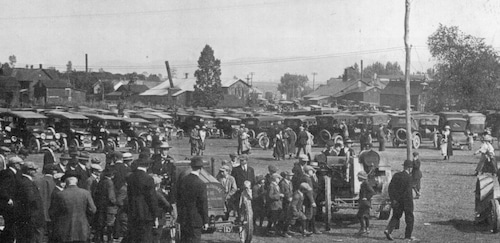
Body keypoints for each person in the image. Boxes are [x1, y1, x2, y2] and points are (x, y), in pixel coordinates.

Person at [49, 172, 97, 243]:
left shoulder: (60, 195)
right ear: (76, 182)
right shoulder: (85, 193)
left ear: (66, 182)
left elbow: (52, 213)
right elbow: (93, 210)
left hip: (64, 229)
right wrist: (85, 218)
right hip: (82, 227)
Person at [125, 158, 159, 243]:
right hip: (146, 213)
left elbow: (128, 194)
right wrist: (155, 214)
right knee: (146, 237)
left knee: (134, 237)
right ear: (148, 166)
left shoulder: (130, 177)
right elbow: (152, 199)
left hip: (133, 211)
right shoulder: (148, 179)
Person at [177, 156, 209, 242]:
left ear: (191, 167)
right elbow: (203, 203)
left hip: (184, 218)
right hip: (196, 220)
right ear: (201, 169)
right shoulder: (201, 184)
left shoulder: (183, 181)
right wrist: (206, 221)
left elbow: (178, 199)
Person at [384, 160, 415, 241]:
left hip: (397, 201)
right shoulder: (409, 178)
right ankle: (408, 236)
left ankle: (388, 230)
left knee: (396, 216)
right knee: (409, 218)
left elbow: (390, 188)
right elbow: (408, 192)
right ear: (409, 168)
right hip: (407, 201)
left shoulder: (396, 175)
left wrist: (393, 199)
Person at [16, 162, 45, 243]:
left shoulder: (24, 181)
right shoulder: (27, 183)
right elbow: (31, 200)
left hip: (28, 218)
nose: (36, 172)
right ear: (29, 171)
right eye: (34, 170)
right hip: (31, 219)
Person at [0, 156, 23, 243]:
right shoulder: (8, 174)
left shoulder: (13, 173)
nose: (21, 166)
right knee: (10, 223)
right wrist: (8, 198)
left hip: (11, 202)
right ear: (15, 164)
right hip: (7, 204)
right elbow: (3, 188)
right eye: (19, 164)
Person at [35, 163, 58, 241]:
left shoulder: (37, 181)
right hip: (51, 210)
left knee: (40, 233)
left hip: (40, 209)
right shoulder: (54, 182)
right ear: (53, 171)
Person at [95, 169, 117, 242]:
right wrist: (115, 202)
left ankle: (99, 238)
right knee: (110, 223)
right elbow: (111, 196)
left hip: (100, 205)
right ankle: (109, 239)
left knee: (101, 223)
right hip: (108, 206)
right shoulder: (109, 182)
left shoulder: (101, 182)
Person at [357, 171, 375, 235]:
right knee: (366, 216)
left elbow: (372, 192)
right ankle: (367, 229)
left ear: (361, 177)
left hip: (364, 202)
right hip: (366, 202)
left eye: (358, 177)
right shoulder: (365, 183)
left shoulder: (365, 184)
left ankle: (363, 229)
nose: (357, 178)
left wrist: (366, 197)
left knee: (359, 215)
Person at [278, 171, 294, 237]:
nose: (291, 177)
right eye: (290, 175)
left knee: (289, 216)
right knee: (285, 217)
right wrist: (287, 198)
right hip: (284, 202)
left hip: (290, 201)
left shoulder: (290, 182)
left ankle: (286, 229)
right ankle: (283, 231)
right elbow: (282, 193)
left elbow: (291, 191)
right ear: (286, 176)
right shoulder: (282, 183)